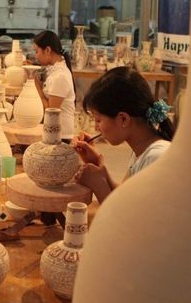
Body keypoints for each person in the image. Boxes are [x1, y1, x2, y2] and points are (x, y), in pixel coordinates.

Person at [74, 66, 175, 204]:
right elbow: (123, 195)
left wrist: (98, 184)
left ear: (123, 119)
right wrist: (98, 167)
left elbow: (129, 215)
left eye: (98, 120)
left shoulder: (155, 157)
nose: (97, 127)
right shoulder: (141, 150)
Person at [32, 30, 76, 143]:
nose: (35, 56)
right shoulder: (54, 70)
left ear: (47, 50)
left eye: (36, 51)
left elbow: (51, 113)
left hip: (61, 135)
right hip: (54, 132)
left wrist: (38, 87)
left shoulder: (60, 76)